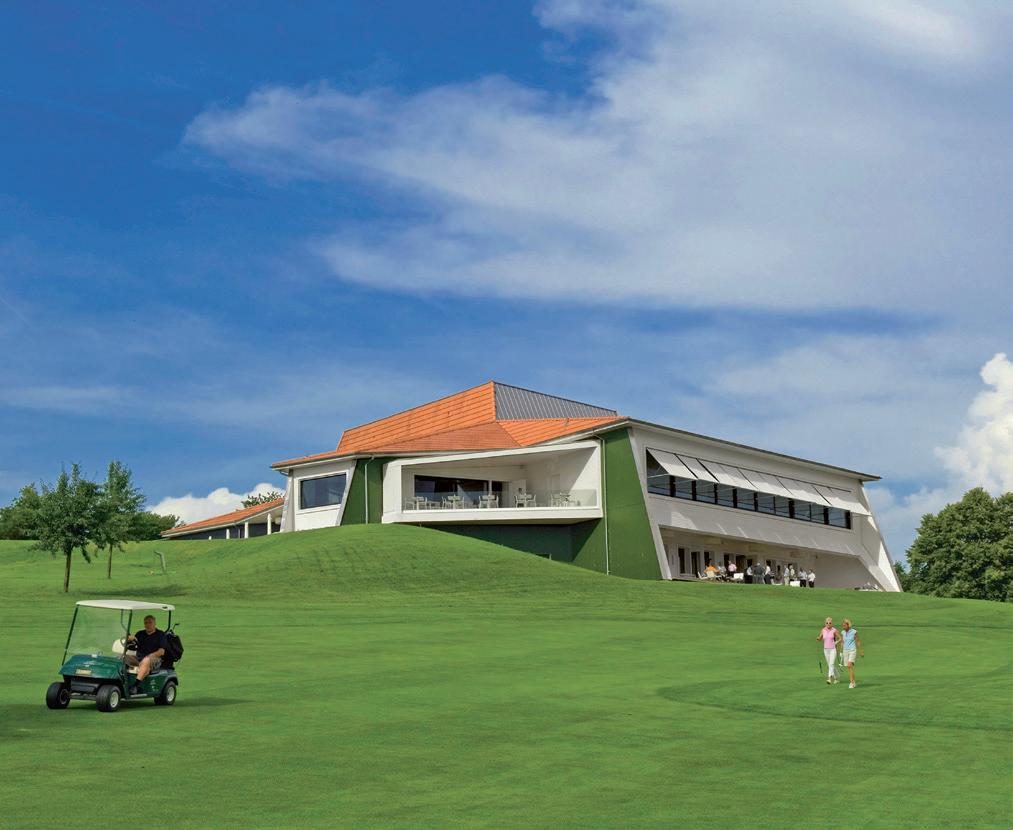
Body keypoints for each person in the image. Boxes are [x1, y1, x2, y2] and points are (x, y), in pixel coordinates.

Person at [125, 614, 167, 692]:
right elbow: (132, 646)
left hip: (155, 659)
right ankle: (123, 681)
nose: (148, 625)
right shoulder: (140, 634)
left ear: (155, 623)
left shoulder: (161, 634)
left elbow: (161, 652)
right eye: (146, 623)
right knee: (123, 657)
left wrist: (150, 656)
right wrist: (129, 640)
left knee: (146, 660)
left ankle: (135, 686)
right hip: (139, 658)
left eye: (150, 622)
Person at [816, 617, 842, 684]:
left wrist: (836, 642)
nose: (828, 624)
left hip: (833, 649)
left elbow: (840, 638)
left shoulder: (834, 630)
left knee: (831, 664)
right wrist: (818, 638)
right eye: (827, 623)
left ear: (831, 623)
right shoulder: (823, 630)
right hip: (826, 650)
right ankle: (836, 678)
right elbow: (820, 638)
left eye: (830, 623)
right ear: (825, 623)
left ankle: (829, 679)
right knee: (830, 665)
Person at [840, 618, 864, 688]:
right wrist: (841, 651)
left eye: (844, 625)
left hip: (852, 650)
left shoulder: (854, 632)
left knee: (850, 665)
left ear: (848, 625)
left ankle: (851, 683)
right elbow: (842, 642)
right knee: (849, 667)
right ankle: (853, 681)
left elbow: (858, 641)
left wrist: (861, 651)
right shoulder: (842, 632)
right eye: (842, 625)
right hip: (845, 650)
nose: (843, 627)